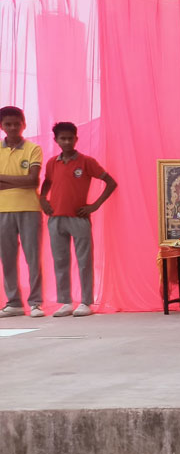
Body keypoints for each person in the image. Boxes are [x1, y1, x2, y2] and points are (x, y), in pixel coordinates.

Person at [38, 122, 117, 317]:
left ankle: (86, 302)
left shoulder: (86, 162)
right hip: (56, 218)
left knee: (84, 260)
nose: (66, 142)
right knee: (60, 260)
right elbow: (47, 182)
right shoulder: (52, 162)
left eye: (70, 138)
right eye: (62, 138)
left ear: (76, 139)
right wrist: (43, 199)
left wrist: (94, 205)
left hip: (78, 218)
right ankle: (65, 302)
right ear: (56, 140)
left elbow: (110, 182)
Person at [0, 107, 44, 318]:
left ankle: (35, 303)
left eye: (17, 124)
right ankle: (14, 303)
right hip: (2, 210)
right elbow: (25, 180)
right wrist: (21, 181)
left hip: (29, 208)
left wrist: (3, 179)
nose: (13, 128)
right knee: (7, 258)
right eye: (8, 124)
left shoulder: (33, 149)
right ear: (1, 126)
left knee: (33, 257)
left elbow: (33, 181)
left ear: (24, 124)